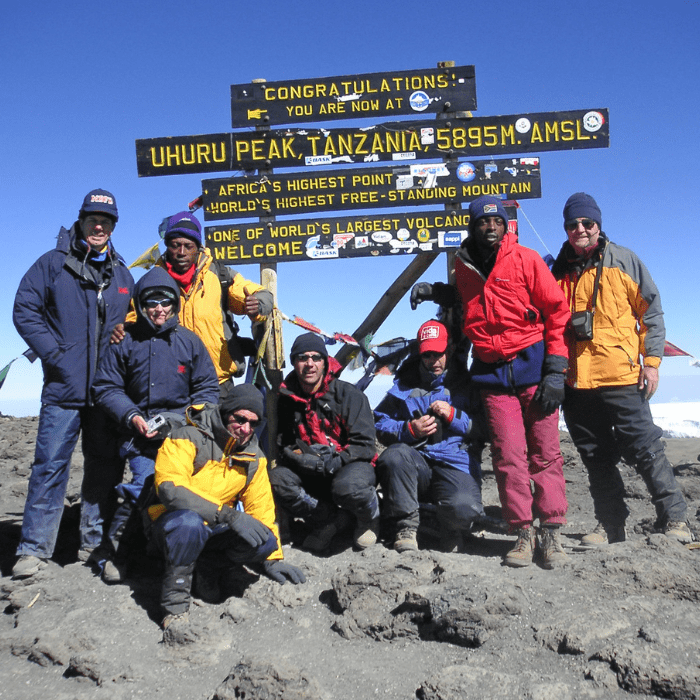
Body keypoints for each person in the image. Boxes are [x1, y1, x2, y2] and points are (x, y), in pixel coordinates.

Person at [551, 192, 691, 546]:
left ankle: (675, 520)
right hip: (576, 381)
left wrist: (653, 364)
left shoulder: (625, 260)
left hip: (622, 375)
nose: (580, 229)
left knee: (646, 448)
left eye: (587, 223)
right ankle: (610, 524)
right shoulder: (557, 270)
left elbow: (652, 315)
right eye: (572, 224)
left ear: (598, 225)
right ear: (566, 228)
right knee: (596, 455)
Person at [12, 189, 134, 578]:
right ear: (81, 221)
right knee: (49, 465)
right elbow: (24, 310)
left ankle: (93, 542)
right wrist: (56, 354)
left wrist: (122, 340)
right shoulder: (51, 265)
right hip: (63, 389)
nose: (99, 226)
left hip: (105, 392)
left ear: (114, 226)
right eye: (93, 219)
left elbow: (133, 322)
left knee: (104, 468)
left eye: (107, 220)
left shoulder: (122, 273)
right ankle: (33, 549)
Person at [451, 195, 571, 568]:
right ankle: (522, 532)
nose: (491, 227)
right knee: (507, 457)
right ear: (473, 227)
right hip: (491, 373)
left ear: (506, 226)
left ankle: (551, 533)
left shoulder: (527, 259)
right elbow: (471, 302)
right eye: (483, 222)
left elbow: (557, 312)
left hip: (533, 369)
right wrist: (435, 293)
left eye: (497, 222)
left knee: (545, 454)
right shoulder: (464, 267)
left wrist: (556, 370)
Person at [92, 266, 220, 583]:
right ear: (142, 304)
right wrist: (133, 416)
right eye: (151, 303)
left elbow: (207, 389)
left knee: (190, 494)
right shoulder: (124, 340)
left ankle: (186, 555)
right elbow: (106, 387)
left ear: (174, 304)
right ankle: (119, 551)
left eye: (165, 302)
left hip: (182, 437)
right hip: (140, 437)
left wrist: (184, 420)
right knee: (145, 487)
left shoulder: (190, 342)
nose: (159, 309)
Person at [149, 384, 305, 634]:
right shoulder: (187, 436)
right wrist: (228, 515)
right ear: (226, 412)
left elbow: (262, 508)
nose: (246, 429)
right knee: (188, 524)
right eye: (240, 419)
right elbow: (170, 490)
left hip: (213, 529)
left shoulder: (253, 456)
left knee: (263, 539)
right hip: (171, 524)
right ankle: (175, 609)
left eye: (253, 423)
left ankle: (208, 567)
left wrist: (273, 558)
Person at [113, 211, 273, 395]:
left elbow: (260, 294)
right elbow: (134, 317)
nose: (181, 252)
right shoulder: (152, 282)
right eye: (175, 245)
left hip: (218, 383)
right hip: (169, 385)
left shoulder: (220, 276)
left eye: (188, 246)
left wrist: (258, 305)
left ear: (198, 247)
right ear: (166, 246)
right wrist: (124, 328)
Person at [374, 319, 485, 553]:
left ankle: (448, 526)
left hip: (456, 463)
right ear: (420, 354)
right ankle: (406, 526)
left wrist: (455, 416)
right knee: (393, 457)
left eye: (438, 353)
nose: (433, 361)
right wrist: (409, 430)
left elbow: (486, 428)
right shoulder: (404, 385)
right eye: (427, 355)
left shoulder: (468, 383)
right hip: (417, 462)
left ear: (450, 349)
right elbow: (380, 423)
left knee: (464, 509)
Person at [270, 333, 380, 552]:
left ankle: (368, 518)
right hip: (312, 470)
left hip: (350, 467)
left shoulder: (349, 395)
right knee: (277, 480)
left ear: (325, 362)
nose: (309, 364)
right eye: (302, 357)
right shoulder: (286, 400)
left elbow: (366, 445)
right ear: (294, 362)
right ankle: (329, 520)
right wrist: (299, 458)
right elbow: (284, 441)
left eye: (316, 357)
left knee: (349, 487)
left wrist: (335, 461)